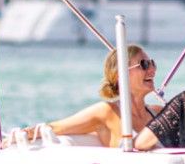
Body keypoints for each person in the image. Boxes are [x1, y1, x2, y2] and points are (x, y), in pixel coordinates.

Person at [9, 44, 159, 148]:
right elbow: (58, 127)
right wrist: (21, 135)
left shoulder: (159, 113)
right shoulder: (107, 112)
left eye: (152, 63)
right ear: (120, 75)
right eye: (144, 64)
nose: (152, 69)